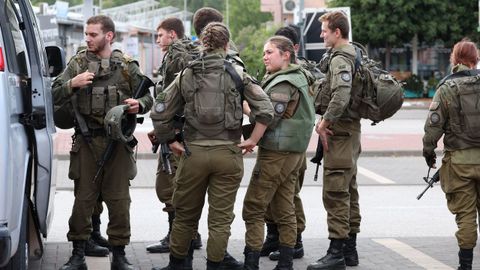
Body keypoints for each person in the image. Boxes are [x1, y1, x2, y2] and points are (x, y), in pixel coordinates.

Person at [150, 22, 274, 270]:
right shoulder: (237, 72)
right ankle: (215, 265)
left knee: (185, 215)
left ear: (203, 44)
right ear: (227, 44)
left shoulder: (187, 72)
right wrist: (252, 140)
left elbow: (160, 111)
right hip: (228, 153)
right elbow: (266, 110)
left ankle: (178, 265)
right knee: (220, 220)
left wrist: (171, 140)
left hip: (193, 152)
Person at [52, 15, 153, 270]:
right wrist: (72, 85)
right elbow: (52, 93)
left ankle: (119, 255)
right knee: (83, 199)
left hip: (118, 143)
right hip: (86, 141)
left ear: (108, 36)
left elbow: (148, 99)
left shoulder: (126, 66)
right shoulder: (77, 63)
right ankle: (77, 255)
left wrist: (137, 105)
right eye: (86, 34)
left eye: (93, 34)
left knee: (119, 200)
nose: (87, 38)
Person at [242, 35, 315, 270]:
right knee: (284, 205)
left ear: (286, 55)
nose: (264, 56)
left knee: (253, 206)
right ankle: (285, 263)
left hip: (277, 152)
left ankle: (251, 261)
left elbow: (269, 117)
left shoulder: (284, 82)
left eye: (269, 52)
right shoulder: (297, 76)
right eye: (264, 52)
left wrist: (246, 107)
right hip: (291, 153)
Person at [308, 11, 361, 270]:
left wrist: (324, 122)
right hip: (349, 132)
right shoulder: (353, 54)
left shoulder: (341, 59)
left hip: (339, 132)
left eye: (324, 30)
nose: (321, 34)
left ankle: (336, 253)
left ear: (337, 32)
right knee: (349, 190)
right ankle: (350, 251)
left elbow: (341, 94)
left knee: (336, 192)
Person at [146, 17, 202, 255]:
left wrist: (164, 130)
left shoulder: (176, 55)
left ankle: (178, 237)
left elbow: (171, 99)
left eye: (159, 35)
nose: (158, 40)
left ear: (171, 34)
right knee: (180, 185)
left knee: (169, 187)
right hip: (188, 129)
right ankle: (191, 235)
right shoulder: (191, 52)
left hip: (176, 131)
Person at [423, 39, 480, 270]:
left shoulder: (446, 88)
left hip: (459, 163)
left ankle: (465, 265)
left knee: (466, 216)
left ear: (454, 59)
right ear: (475, 59)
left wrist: (429, 153)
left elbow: (432, 127)